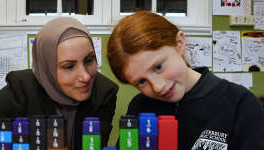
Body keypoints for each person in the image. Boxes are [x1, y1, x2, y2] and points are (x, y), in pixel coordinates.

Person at [107, 11, 264, 150]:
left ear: (179, 43)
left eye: (158, 67)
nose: (157, 87)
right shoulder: (139, 107)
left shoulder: (240, 104)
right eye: (141, 82)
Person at [0, 17, 118, 150]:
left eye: (89, 60)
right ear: (47, 67)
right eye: (69, 66)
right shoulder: (22, 88)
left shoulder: (104, 92)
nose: (85, 76)